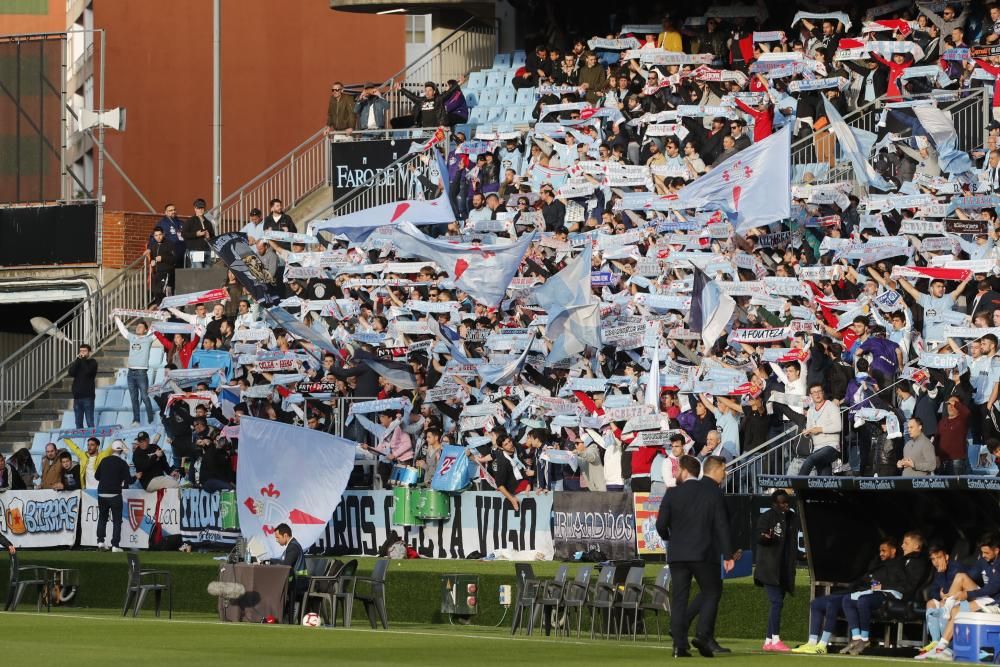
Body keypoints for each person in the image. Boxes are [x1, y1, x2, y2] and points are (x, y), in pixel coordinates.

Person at [656, 455, 735, 658]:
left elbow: (660, 525)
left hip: (677, 553)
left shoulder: (672, 493)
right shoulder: (711, 492)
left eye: (677, 469)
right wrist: (728, 554)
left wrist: (670, 539)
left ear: (684, 470)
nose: (674, 473)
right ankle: (702, 634)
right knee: (711, 591)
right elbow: (722, 525)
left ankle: (678, 646)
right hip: (703, 552)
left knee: (679, 599)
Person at [793, 539, 904, 654]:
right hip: (855, 592)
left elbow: (895, 585)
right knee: (816, 603)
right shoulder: (875, 563)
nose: (881, 553)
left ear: (893, 551)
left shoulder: (897, 566)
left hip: (866, 596)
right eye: (880, 551)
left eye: (884, 551)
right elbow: (863, 579)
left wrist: (877, 586)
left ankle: (822, 645)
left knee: (832, 604)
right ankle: (811, 642)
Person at [755, 490, 799, 652]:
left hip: (783, 568)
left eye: (787, 502)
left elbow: (792, 540)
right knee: (776, 602)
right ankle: (775, 639)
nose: (785, 505)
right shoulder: (767, 517)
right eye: (782, 502)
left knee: (778, 603)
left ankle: (768, 641)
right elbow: (759, 537)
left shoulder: (792, 517)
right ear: (774, 503)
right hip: (769, 567)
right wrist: (766, 537)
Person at [114, 317, 156, 425]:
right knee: (133, 398)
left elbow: (158, 329)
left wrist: (164, 318)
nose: (138, 328)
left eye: (141, 327)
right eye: (137, 327)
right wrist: (116, 318)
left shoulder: (148, 338)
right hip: (130, 373)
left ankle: (151, 419)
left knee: (145, 396)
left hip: (141, 373)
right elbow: (123, 330)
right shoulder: (132, 337)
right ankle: (136, 419)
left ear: (146, 330)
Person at [95, 440, 132, 552]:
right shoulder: (123, 463)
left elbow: (97, 476)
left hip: (102, 493)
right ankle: (115, 545)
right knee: (117, 520)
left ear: (112, 449)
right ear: (121, 451)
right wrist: (137, 477)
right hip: (115, 494)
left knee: (102, 518)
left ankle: (100, 542)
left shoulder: (104, 460)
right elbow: (129, 480)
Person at [799, 384, 842, 476]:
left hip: (831, 446)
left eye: (819, 391)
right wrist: (807, 432)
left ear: (823, 393)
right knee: (824, 479)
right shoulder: (810, 411)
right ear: (810, 396)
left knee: (810, 460)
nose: (817, 394)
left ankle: (797, 487)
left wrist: (820, 429)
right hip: (817, 448)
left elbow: (838, 427)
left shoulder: (832, 406)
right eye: (814, 392)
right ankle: (826, 490)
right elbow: (810, 429)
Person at [67, 344, 97, 429]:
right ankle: (80, 441)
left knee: (90, 422)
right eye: (81, 351)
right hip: (77, 398)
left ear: (89, 352)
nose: (82, 353)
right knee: (78, 424)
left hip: (88, 397)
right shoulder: (78, 362)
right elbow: (71, 373)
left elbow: (88, 371)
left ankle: (92, 441)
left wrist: (83, 359)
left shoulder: (93, 362)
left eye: (84, 351)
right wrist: (77, 360)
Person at [181, 198, 216, 268]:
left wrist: (209, 236)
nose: (200, 210)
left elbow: (213, 237)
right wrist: (196, 234)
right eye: (198, 208)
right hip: (195, 250)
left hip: (207, 250)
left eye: (202, 208)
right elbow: (183, 234)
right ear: (195, 208)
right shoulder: (190, 221)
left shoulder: (208, 222)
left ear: (204, 209)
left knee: (208, 272)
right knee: (198, 272)